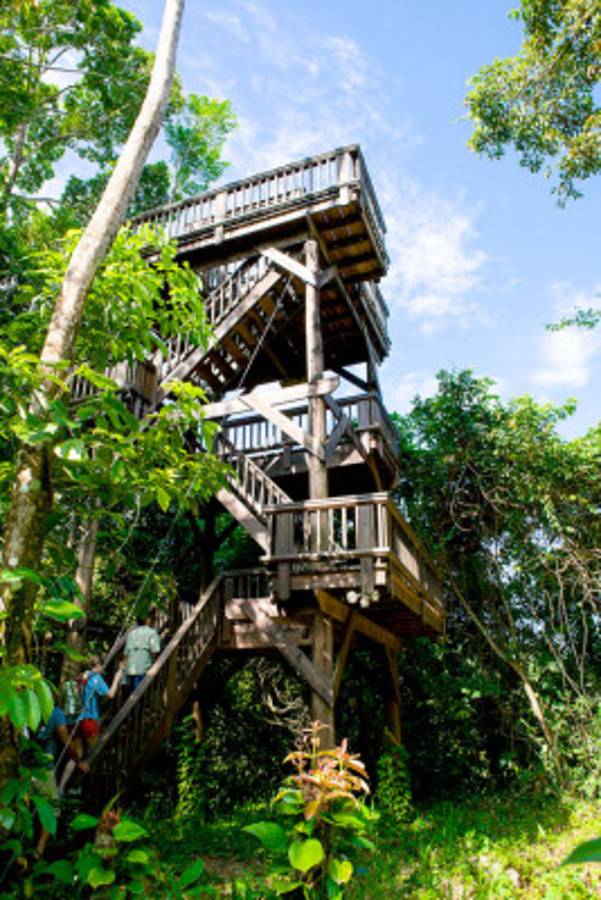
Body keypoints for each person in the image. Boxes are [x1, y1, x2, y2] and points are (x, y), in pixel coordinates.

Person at [34, 705, 89, 857]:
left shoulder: (26, 703)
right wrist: (79, 761)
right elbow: (65, 738)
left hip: (25, 765)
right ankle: (39, 850)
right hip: (44, 768)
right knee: (53, 808)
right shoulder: (55, 711)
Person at [123, 613, 161, 695]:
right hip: (143, 667)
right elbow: (155, 651)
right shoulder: (152, 632)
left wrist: (124, 669)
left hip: (130, 667)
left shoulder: (131, 633)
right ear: (147, 620)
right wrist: (154, 665)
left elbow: (126, 652)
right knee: (140, 693)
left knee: (131, 693)